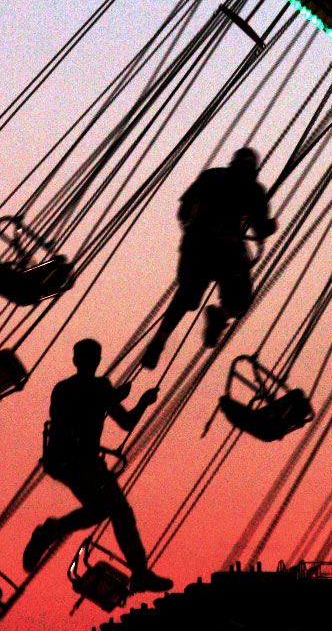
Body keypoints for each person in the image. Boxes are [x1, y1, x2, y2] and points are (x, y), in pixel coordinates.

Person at [22, 339, 171, 593]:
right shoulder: (100, 387)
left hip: (60, 461)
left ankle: (51, 531)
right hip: (85, 463)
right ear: (98, 360)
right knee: (121, 512)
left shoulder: (63, 388)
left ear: (75, 360)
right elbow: (126, 422)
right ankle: (140, 573)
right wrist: (143, 403)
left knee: (98, 510)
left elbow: (75, 411)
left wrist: (110, 398)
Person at [141, 147, 276, 369]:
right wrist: (270, 225)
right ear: (253, 170)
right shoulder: (254, 190)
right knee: (240, 298)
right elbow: (262, 229)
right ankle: (221, 315)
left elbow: (183, 211)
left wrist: (194, 226)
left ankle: (160, 339)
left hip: (196, 247)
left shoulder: (211, 176)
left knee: (186, 296)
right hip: (228, 253)